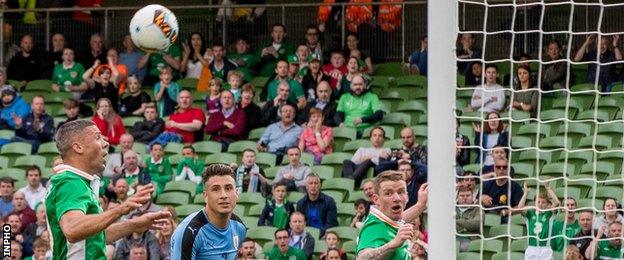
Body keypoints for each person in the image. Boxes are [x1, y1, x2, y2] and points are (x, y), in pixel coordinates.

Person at [45, 119, 171, 259]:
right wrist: (122, 209)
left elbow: (95, 236)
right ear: (78, 147)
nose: (106, 143)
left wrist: (135, 224)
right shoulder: (70, 182)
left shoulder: (77, 181)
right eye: (98, 137)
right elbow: (73, 230)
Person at [170, 164, 246, 259]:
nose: (223, 195)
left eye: (228, 188)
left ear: (237, 193)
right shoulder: (189, 233)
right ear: (205, 196)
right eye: (215, 189)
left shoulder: (239, 227)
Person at [356, 171, 429, 259]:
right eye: (389, 193)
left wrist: (420, 205)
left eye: (401, 192)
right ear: (376, 199)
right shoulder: (374, 226)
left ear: (407, 196)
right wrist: (393, 244)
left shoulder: (387, 219)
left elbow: (402, 218)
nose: (397, 198)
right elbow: (362, 258)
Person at [513, 179, 560, 259]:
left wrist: (548, 188)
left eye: (543, 202)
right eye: (538, 202)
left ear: (548, 204)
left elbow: (557, 203)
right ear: (534, 203)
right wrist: (526, 193)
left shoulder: (549, 214)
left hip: (546, 248)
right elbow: (520, 208)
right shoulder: (530, 214)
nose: (540, 204)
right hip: (532, 248)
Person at [480, 157, 522, 223]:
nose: (501, 169)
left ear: (508, 169)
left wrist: (506, 212)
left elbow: (520, 207)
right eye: (498, 167)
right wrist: (481, 199)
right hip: (486, 216)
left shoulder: (515, 186)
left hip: (505, 218)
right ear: (494, 168)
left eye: (504, 167)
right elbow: (476, 201)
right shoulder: (486, 184)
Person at [455, 186, 480, 252]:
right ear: (457, 197)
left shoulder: (478, 209)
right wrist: (466, 224)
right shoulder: (452, 208)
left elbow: (476, 224)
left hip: (470, 239)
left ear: (473, 197)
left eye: (468, 195)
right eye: (462, 196)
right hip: (452, 237)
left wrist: (455, 221)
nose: (465, 198)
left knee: (462, 247)